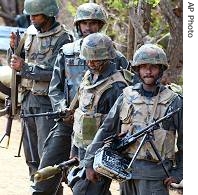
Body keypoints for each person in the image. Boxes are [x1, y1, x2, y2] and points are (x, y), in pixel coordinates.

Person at [31, 2, 130, 195]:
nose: (88, 27)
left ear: (101, 26)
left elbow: (124, 99)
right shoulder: (67, 51)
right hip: (68, 123)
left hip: (99, 132)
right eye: (84, 23)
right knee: (45, 177)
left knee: (91, 184)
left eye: (94, 23)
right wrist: (61, 108)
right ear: (78, 25)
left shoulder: (116, 57)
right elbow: (55, 88)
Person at [84, 43, 183, 195]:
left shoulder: (173, 101)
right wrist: (89, 162)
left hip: (155, 177)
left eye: (153, 67)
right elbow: (105, 130)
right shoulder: (126, 96)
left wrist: (179, 173)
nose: (148, 71)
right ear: (137, 69)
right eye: (143, 67)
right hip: (126, 172)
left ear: (161, 69)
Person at [8, 0, 73, 182]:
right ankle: (35, 188)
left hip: (48, 103)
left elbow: (58, 73)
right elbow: (16, 66)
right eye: (30, 15)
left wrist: (26, 68)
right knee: (32, 157)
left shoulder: (64, 38)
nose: (32, 18)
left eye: (36, 15)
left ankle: (50, 191)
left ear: (48, 14)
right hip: (28, 99)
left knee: (48, 157)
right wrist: (14, 49)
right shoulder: (29, 33)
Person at [70, 32, 128, 195]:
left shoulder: (117, 86)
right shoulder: (89, 76)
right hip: (82, 147)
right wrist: (74, 148)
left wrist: (92, 162)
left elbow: (111, 129)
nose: (90, 63)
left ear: (107, 58)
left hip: (100, 154)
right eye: (87, 59)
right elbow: (81, 115)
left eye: (95, 59)